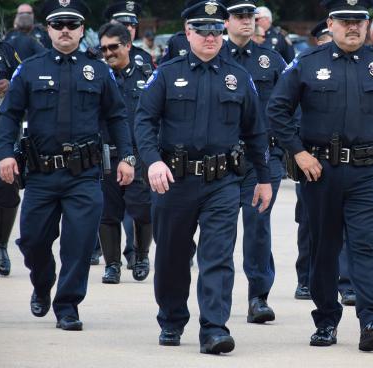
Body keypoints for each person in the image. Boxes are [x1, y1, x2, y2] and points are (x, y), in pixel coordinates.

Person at [268, 0, 373, 351]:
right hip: (319, 172)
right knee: (324, 248)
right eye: (345, 21)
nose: (352, 27)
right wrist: (298, 152)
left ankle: (371, 320)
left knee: (367, 244)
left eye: (359, 22)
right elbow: (276, 110)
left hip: (367, 172)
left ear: (367, 26)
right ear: (331, 24)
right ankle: (325, 320)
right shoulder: (307, 63)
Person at [134, 0, 272, 354]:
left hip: (222, 182)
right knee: (171, 255)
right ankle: (171, 317)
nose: (210, 37)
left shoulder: (239, 77)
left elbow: (256, 131)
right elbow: (144, 122)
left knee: (217, 256)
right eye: (202, 30)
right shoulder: (166, 74)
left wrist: (264, 177)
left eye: (215, 30)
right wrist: (151, 162)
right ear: (188, 33)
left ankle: (213, 328)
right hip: (174, 180)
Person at [0, 0, 134, 330]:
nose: (65, 31)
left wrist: (127, 157)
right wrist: (3, 152)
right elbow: (10, 114)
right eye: (58, 25)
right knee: (31, 241)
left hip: (83, 175)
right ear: (48, 29)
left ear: (82, 30)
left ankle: (68, 305)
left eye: (72, 25)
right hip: (41, 174)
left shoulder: (98, 70)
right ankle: (43, 284)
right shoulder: (29, 69)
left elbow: (116, 116)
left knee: (80, 242)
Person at [221, 0, 288, 324]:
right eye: (239, 16)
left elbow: (290, 107)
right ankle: (217, 298)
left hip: (261, 158)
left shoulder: (271, 61)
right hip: (219, 161)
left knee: (258, 227)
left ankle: (258, 297)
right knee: (219, 231)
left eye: (249, 16)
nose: (246, 21)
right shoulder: (211, 57)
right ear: (226, 21)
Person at [292, 19, 356, 306]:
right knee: (310, 225)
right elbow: (287, 112)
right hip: (311, 162)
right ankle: (306, 277)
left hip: (352, 167)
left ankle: (347, 283)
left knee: (348, 229)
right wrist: (297, 151)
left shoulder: (357, 67)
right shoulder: (305, 65)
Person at [96, 22, 153, 285]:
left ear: (128, 45)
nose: (108, 52)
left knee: (141, 209)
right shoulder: (96, 76)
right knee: (108, 212)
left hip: (139, 153)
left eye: (113, 47)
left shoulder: (147, 75)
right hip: (106, 152)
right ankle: (112, 265)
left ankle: (141, 255)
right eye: (104, 48)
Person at [0, 36, 22, 277]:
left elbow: (24, 78)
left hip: (2, 126)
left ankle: (0, 245)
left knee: (7, 185)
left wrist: (9, 85)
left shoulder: (4, 49)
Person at [103, 1, 155, 67]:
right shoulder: (98, 56)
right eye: (125, 24)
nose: (130, 29)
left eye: (133, 24)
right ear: (111, 26)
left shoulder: (144, 58)